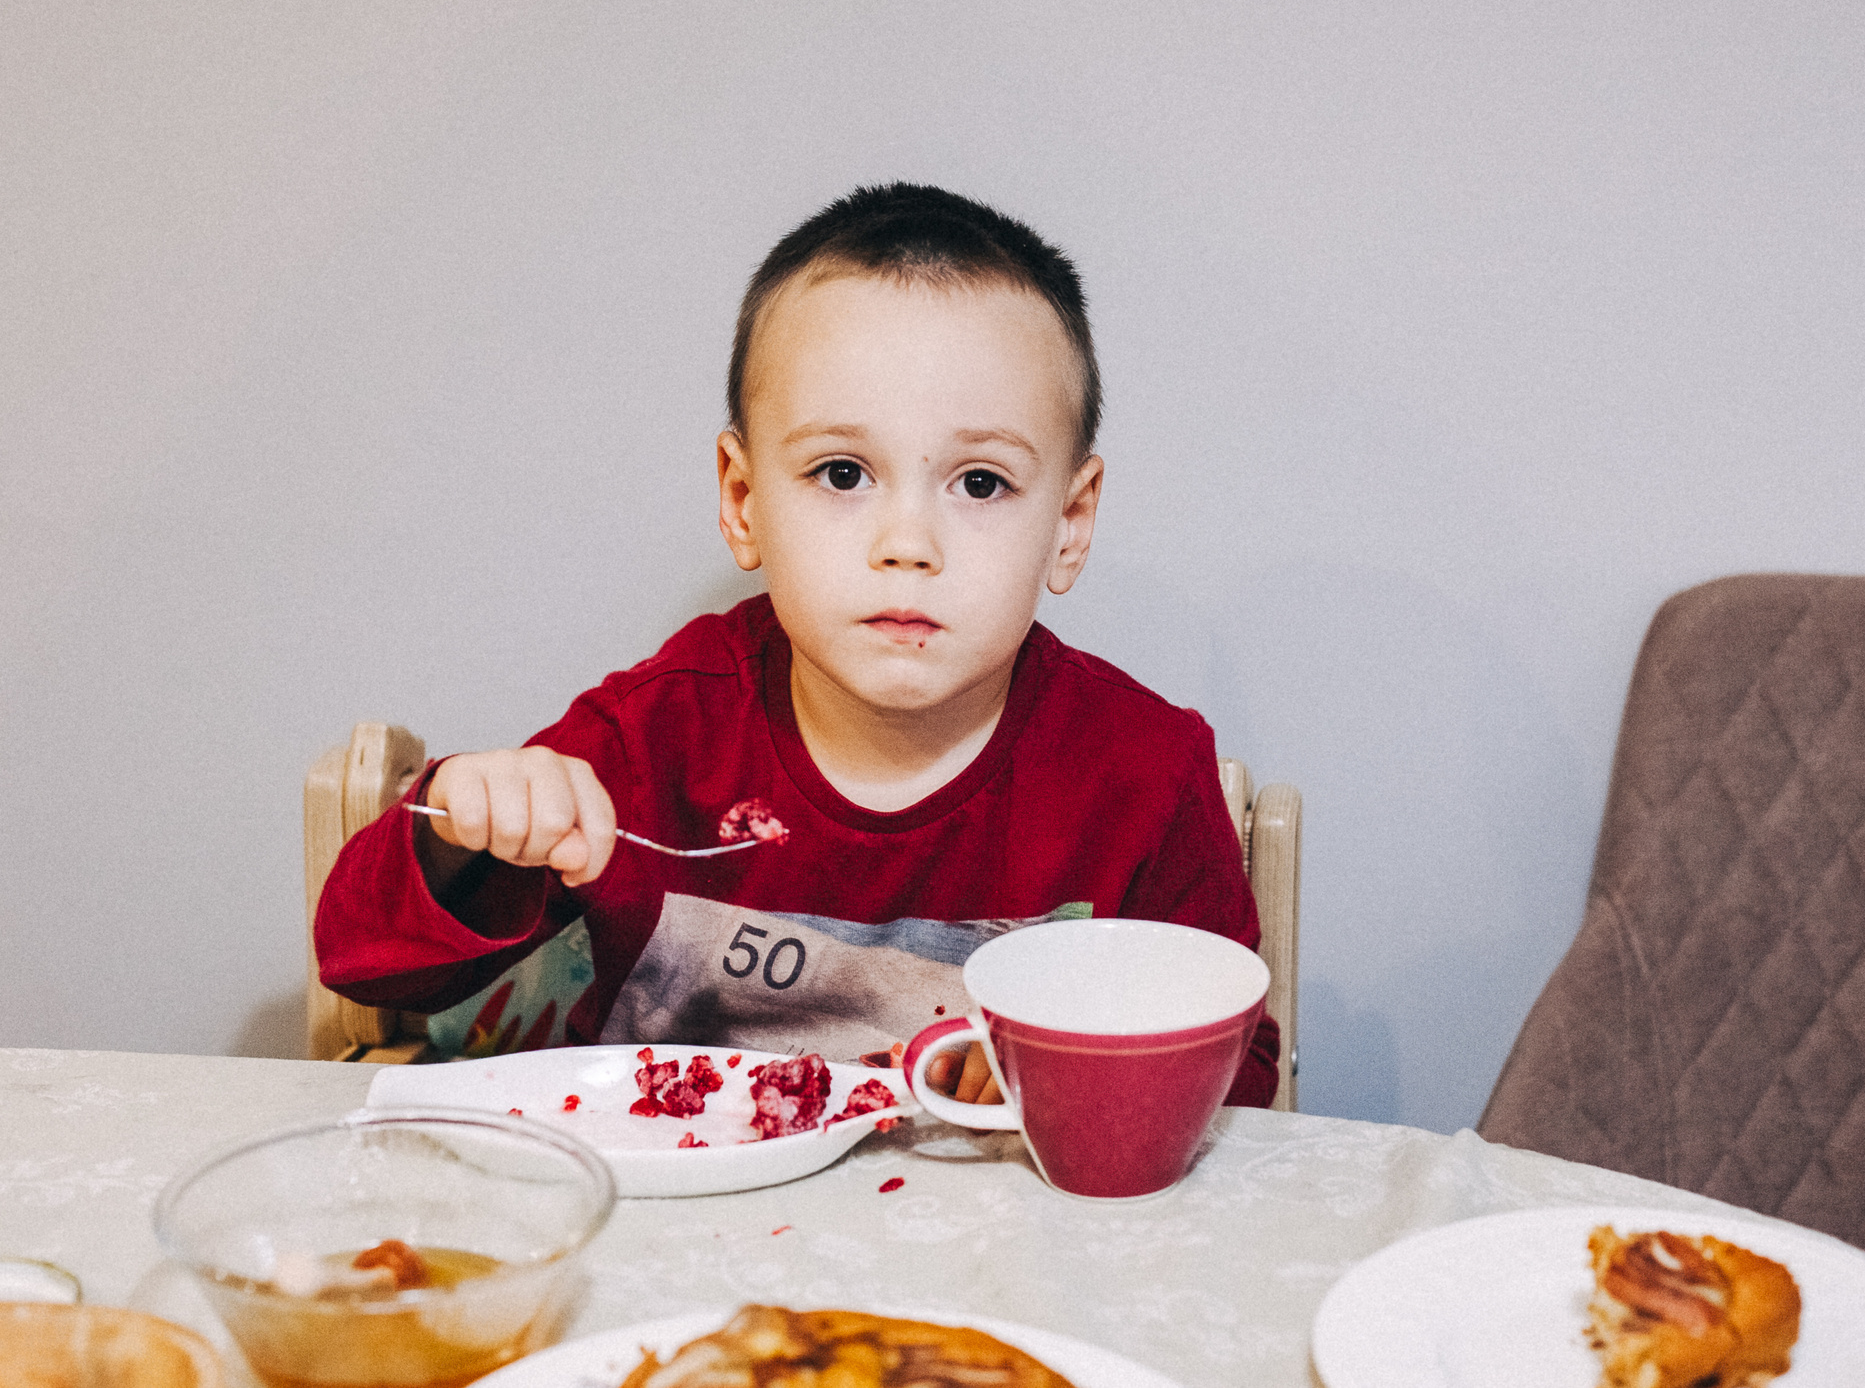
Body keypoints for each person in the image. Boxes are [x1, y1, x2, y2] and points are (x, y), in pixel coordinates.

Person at [314, 183, 1278, 1107]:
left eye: (980, 483)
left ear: (1069, 523)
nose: (909, 544)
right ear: (743, 502)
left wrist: (1088, 1062)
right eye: (843, 471)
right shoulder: (659, 737)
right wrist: (459, 827)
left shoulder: (1143, 779)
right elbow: (365, 957)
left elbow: (1240, 1073)